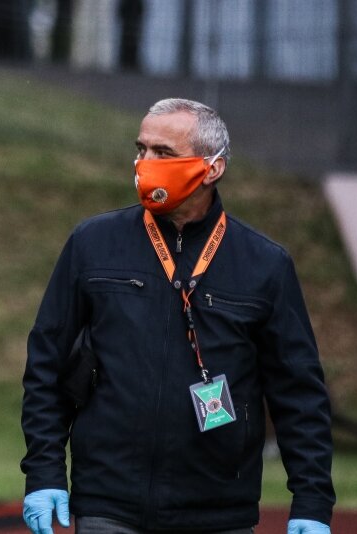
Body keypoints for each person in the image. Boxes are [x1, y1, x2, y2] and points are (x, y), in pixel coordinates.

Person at [20, 98, 334, 533]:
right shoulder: (93, 243)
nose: (145, 163)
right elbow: (47, 365)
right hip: (108, 504)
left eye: (163, 152)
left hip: (218, 512)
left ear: (212, 168)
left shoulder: (265, 264)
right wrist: (44, 470)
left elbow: (299, 393)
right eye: (142, 149)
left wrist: (312, 502)